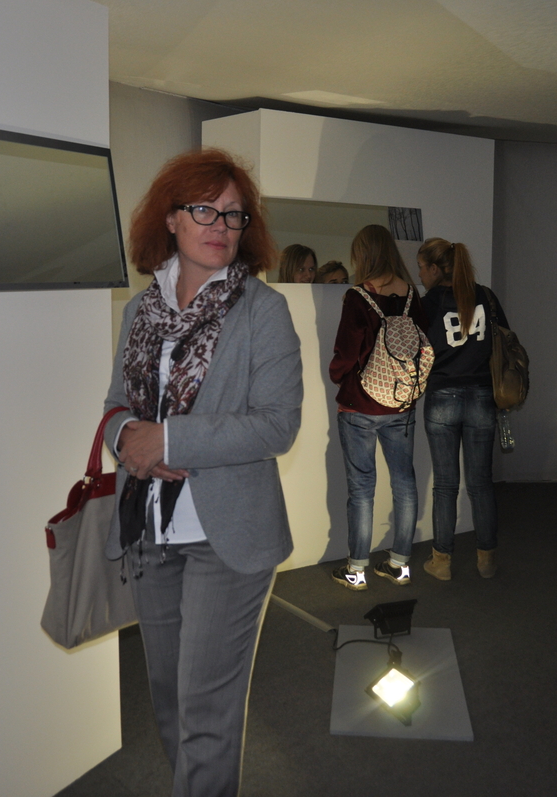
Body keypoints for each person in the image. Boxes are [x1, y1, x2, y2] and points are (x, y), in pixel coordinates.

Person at [102, 148, 303, 796]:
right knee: (168, 701)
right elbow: (116, 406)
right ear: (170, 217)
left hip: (227, 537)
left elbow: (277, 424)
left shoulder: (262, 310)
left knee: (207, 713)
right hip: (150, 531)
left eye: (234, 214)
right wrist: (125, 435)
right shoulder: (140, 312)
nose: (221, 225)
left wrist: (170, 437)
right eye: (205, 210)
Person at [328, 224, 428, 590]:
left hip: (359, 406)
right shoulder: (411, 294)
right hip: (401, 404)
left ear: (364, 254)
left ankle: (357, 570)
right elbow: (422, 343)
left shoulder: (358, 296)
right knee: (405, 482)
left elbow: (346, 351)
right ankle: (399, 564)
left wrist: (338, 375)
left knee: (361, 489)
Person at [417, 236, 506, 580]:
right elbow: (504, 337)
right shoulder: (484, 295)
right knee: (481, 482)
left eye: (421, 268)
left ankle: (442, 562)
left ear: (435, 268)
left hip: (442, 396)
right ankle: (486, 559)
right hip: (482, 396)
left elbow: (413, 348)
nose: (420, 275)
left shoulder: (429, 303)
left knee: (445, 485)